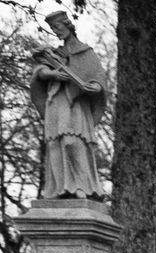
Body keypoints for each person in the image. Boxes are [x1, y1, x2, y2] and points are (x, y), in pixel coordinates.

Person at [29, 7, 108, 200]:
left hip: (77, 104)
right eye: (54, 29)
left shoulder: (86, 52)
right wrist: (52, 74)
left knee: (72, 142)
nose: (57, 31)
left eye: (58, 27)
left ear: (68, 26)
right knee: (55, 143)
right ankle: (58, 189)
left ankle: (83, 186)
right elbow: (39, 71)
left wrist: (95, 87)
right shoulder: (54, 54)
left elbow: (98, 77)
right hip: (56, 100)